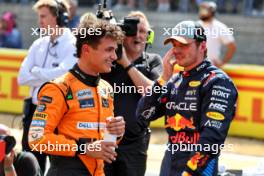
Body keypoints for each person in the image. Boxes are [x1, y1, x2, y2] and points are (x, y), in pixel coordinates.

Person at [136, 20, 238, 176]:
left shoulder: (217, 81)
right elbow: (142, 116)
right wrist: (163, 78)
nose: (176, 50)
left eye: (183, 45)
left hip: (198, 169)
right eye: (174, 45)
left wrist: (190, 172)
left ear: (202, 46)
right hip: (170, 164)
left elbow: (211, 139)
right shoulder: (174, 81)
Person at [28, 18, 126, 176]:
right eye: (109, 50)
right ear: (86, 49)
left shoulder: (105, 88)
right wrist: (83, 148)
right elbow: (36, 139)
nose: (114, 56)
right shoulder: (58, 88)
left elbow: (104, 142)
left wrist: (116, 133)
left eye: (115, 50)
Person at [17, 0, 76, 173]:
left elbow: (64, 75)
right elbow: (21, 78)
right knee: (30, 164)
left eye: (43, 16)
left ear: (60, 18)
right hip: (34, 112)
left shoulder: (73, 44)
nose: (39, 21)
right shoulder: (38, 44)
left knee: (60, 167)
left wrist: (36, 72)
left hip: (59, 115)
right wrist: (48, 75)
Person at [101, 11, 162, 176]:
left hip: (135, 145)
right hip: (104, 140)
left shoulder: (153, 61)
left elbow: (153, 93)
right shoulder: (107, 58)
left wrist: (126, 63)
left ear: (149, 36)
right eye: (133, 30)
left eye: (143, 31)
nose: (138, 36)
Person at [198, 1, 237, 67]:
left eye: (204, 9)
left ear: (212, 11)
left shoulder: (220, 27)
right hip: (193, 67)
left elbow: (232, 47)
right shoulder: (195, 25)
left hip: (210, 68)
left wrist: (222, 63)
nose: (201, 12)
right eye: (201, 9)